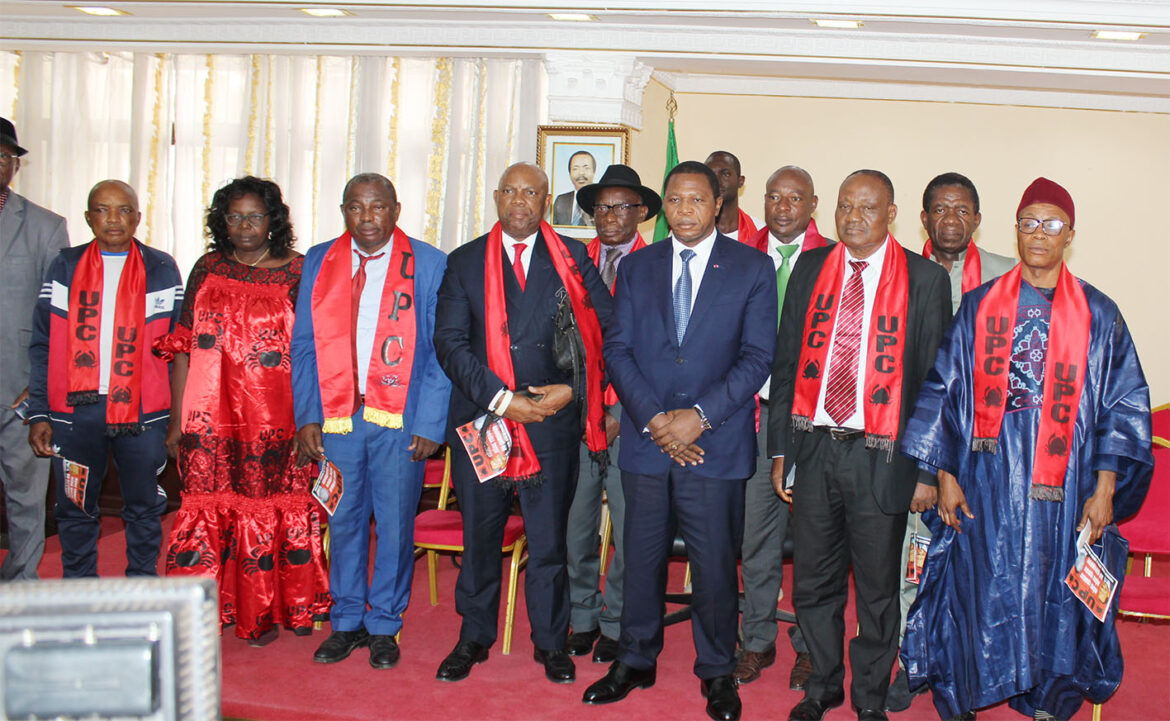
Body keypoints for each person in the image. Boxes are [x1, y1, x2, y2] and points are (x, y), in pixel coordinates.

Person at [900, 177, 1153, 721]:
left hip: (1066, 484)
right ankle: (967, 686)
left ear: (1070, 235)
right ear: (1015, 231)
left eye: (1052, 224)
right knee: (976, 581)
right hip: (984, 479)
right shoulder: (977, 307)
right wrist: (944, 474)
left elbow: (1122, 406)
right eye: (1028, 223)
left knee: (1055, 589)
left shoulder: (1100, 316)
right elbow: (945, 390)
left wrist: (1106, 487)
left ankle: (1047, 698)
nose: (1039, 234)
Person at [583, 160, 776, 721]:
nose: (685, 210)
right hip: (647, 442)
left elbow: (758, 356)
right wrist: (653, 419)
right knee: (639, 559)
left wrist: (698, 418)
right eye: (674, 200)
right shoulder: (639, 267)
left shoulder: (752, 267)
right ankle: (635, 658)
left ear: (717, 204)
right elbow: (617, 350)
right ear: (660, 207)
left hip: (714, 444)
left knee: (714, 566)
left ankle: (717, 670)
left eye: (696, 200)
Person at [767, 170, 951, 721]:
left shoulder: (924, 280)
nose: (854, 217)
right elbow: (785, 364)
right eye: (846, 206)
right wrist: (782, 450)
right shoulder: (810, 269)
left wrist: (925, 471)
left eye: (867, 208)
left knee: (876, 590)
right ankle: (821, 686)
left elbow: (936, 385)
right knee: (814, 582)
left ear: (891, 213)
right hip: (816, 446)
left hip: (884, 454)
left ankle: (869, 698)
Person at [433, 162, 611, 684]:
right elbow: (450, 342)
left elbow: (605, 331)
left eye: (529, 192)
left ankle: (552, 641)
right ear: (495, 197)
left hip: (551, 422)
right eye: (508, 191)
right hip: (483, 423)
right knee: (480, 536)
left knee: (549, 540)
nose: (518, 201)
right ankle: (474, 637)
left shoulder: (573, 258)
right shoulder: (464, 262)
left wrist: (575, 390)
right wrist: (500, 400)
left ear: (544, 198)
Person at [156, 176, 329, 646]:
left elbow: (314, 352)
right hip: (207, 418)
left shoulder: (299, 270)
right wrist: (177, 419)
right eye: (235, 216)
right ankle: (201, 615)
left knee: (265, 510)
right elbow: (184, 345)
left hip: (276, 421)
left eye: (256, 216)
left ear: (274, 220)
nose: (245, 226)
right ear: (222, 221)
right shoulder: (207, 267)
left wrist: (311, 420)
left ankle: (263, 613)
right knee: (207, 510)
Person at [291, 173, 450, 669]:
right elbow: (303, 346)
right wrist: (307, 415)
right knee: (344, 520)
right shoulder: (320, 259)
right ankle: (346, 621)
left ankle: (385, 623)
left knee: (397, 524)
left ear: (395, 209)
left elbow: (441, 351)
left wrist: (430, 422)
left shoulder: (428, 263)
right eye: (356, 207)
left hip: (399, 419)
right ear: (344, 211)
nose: (366, 217)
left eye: (377, 207)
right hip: (338, 418)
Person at [886, 171, 1016, 710]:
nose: (951, 220)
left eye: (962, 210)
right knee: (913, 561)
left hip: (990, 455)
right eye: (940, 209)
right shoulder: (900, 275)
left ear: (979, 221)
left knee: (984, 563)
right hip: (918, 448)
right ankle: (908, 660)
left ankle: (974, 666)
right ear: (923, 218)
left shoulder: (1010, 278)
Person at [27, 179, 183, 578]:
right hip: (77, 413)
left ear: (137, 217)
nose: (113, 219)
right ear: (88, 217)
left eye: (123, 210)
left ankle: (141, 586)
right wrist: (40, 412)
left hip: (143, 414)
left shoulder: (161, 268)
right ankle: (80, 587)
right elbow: (43, 344)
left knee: (144, 506)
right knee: (75, 506)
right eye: (102, 209)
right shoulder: (65, 265)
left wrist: (176, 420)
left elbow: (177, 350)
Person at [734, 166, 828, 688]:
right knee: (758, 534)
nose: (783, 207)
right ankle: (757, 641)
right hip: (750, 415)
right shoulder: (740, 254)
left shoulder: (834, 260)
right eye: (774, 197)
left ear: (812, 204)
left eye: (795, 198)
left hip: (811, 419)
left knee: (816, 537)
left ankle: (812, 646)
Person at [563, 165, 659, 664]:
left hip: (633, 423)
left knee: (629, 528)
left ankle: (618, 622)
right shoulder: (573, 262)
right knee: (575, 524)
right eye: (602, 207)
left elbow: (658, 353)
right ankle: (582, 616)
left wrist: (621, 410)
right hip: (576, 419)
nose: (610, 216)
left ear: (642, 212)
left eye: (622, 207)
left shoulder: (659, 265)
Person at [0, 117, 69, 581]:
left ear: (15, 166)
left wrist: (41, 388)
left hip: (18, 389)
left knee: (26, 494)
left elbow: (60, 319)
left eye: (5, 157)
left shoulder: (45, 226)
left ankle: (19, 584)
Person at [705, 151, 762, 242]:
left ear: (740, 181)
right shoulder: (691, 229)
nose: (717, 181)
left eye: (725, 174)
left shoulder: (760, 232)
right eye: (711, 175)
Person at [552, 150, 597, 227]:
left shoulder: (600, 200)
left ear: (594, 171)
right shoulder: (561, 201)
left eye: (586, 168)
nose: (581, 173)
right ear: (570, 173)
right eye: (575, 169)